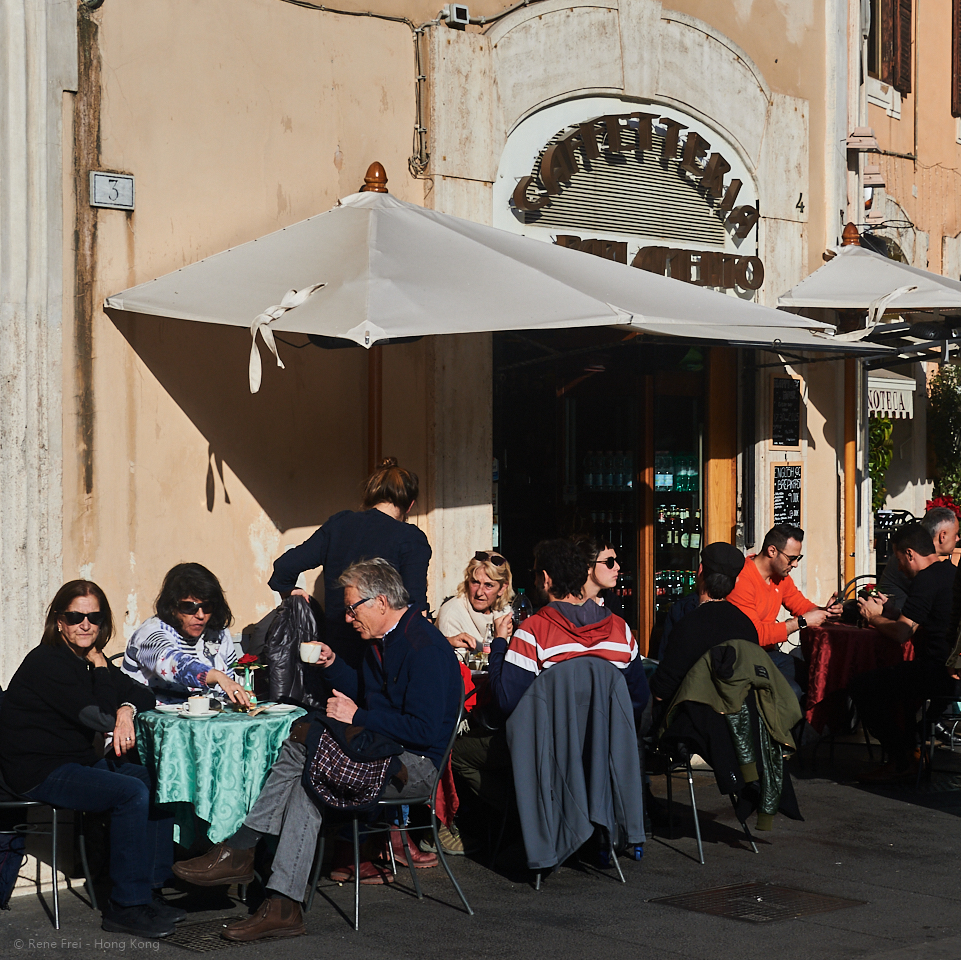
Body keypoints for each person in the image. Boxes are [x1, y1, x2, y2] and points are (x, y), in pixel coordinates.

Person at [172, 559, 461, 943]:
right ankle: (281, 906)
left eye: (352, 607)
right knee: (309, 769)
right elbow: (368, 693)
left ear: (380, 602)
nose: (346, 617)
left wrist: (359, 716)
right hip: (380, 752)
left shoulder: (422, 647)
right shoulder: (385, 640)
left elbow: (422, 730)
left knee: (306, 737)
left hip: (411, 767)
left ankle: (244, 853)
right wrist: (333, 664)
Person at [0, 581, 180, 939]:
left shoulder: (86, 660)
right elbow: (98, 716)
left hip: (74, 763)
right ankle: (125, 908)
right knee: (129, 792)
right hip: (37, 770)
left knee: (155, 778)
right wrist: (102, 671)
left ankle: (147, 891)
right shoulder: (48, 661)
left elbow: (142, 695)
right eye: (75, 616)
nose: (86, 624)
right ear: (60, 622)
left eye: (93, 617)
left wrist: (126, 708)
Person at [451, 539, 649, 812]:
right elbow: (637, 699)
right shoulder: (621, 630)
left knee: (458, 754)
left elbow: (507, 700)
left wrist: (499, 643)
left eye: (534, 573)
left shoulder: (534, 631)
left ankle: (523, 816)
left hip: (548, 752)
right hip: (606, 751)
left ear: (545, 578)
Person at [268, 457, 431, 667]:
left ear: (372, 495)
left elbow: (284, 567)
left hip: (335, 652)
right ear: (409, 505)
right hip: (383, 657)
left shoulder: (339, 524)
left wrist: (289, 592)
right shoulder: (411, 538)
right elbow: (416, 607)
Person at [852, 522, 959, 782]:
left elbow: (902, 633)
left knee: (863, 685)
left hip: (939, 670)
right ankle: (911, 749)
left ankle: (902, 759)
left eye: (899, 559)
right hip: (948, 668)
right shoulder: (950, 572)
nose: (899, 567)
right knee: (895, 683)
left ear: (910, 554)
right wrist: (889, 613)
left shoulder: (926, 578)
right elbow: (921, 619)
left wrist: (873, 617)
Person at [726, 523, 842, 699]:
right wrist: (801, 622)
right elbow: (755, 635)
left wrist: (826, 611)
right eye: (791, 558)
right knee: (792, 692)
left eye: (798, 558)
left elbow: (800, 605)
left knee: (821, 678)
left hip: (768, 655)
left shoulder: (780, 577)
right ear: (772, 551)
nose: (795, 564)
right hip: (742, 659)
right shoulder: (743, 580)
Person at [123, 563, 249, 706]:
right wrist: (216, 676)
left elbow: (228, 682)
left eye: (207, 606)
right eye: (190, 607)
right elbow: (171, 662)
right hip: (155, 719)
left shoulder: (218, 632)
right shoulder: (150, 632)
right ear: (172, 607)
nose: (200, 615)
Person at [650, 542, 759, 706]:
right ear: (735, 582)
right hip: (739, 724)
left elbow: (661, 691)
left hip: (693, 724)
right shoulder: (747, 627)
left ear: (700, 571)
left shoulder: (688, 625)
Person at [877, 507, 959, 612]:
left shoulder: (929, 565)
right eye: (955, 534)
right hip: (898, 615)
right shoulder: (910, 562)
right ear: (942, 536)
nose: (957, 538)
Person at [436, 551, 515, 660]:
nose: (479, 592)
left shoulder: (504, 610)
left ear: (502, 588)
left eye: (488, 585)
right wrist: (499, 639)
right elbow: (459, 669)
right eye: (475, 582)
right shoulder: (451, 613)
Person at [574, 536, 624, 617]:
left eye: (616, 561)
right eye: (610, 562)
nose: (617, 567)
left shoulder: (612, 602)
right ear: (588, 567)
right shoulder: (565, 603)